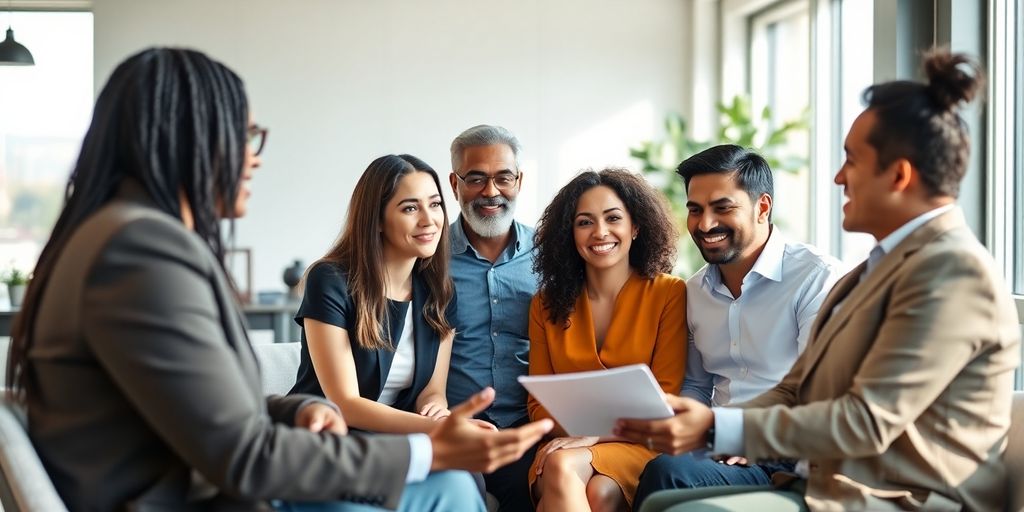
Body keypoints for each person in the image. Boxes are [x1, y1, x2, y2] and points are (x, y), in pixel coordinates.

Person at [4, 47, 551, 512]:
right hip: (195, 495)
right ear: (187, 138)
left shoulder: (121, 236)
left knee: (451, 487)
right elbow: (243, 456)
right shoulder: (141, 251)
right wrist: (432, 449)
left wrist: (294, 408)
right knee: (449, 486)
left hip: (217, 477)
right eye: (246, 135)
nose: (254, 158)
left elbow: (197, 404)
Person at [616, 50, 1019, 512]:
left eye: (852, 161)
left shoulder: (952, 274)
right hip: (830, 483)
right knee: (660, 501)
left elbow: (866, 421)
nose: (838, 177)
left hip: (909, 498)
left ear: (899, 175)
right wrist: (707, 419)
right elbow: (796, 388)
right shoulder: (874, 271)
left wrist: (717, 429)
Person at [633, 145, 841, 507]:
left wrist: (747, 435)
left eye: (723, 208)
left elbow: (820, 389)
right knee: (657, 466)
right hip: (720, 443)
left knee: (666, 474)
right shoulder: (695, 290)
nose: (705, 224)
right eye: (695, 210)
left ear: (762, 207)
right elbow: (697, 386)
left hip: (788, 447)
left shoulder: (815, 278)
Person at [289, 154, 494, 436]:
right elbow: (345, 404)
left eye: (435, 205)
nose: (429, 220)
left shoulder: (440, 291)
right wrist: (441, 429)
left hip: (397, 436)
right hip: (328, 434)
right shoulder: (329, 280)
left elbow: (432, 391)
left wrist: (435, 409)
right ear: (377, 220)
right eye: (410, 208)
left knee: (472, 474)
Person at [528, 168, 687, 511]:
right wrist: (576, 437)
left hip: (639, 443)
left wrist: (595, 435)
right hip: (564, 443)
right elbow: (537, 403)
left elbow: (666, 398)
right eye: (584, 222)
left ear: (636, 226)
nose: (599, 232)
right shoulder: (544, 304)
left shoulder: (669, 293)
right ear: (569, 234)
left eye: (613, 218)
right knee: (566, 467)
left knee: (587, 484)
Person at [445, 125, 540, 511]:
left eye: (503, 177)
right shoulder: (426, 259)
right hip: (455, 429)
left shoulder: (550, 255)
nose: (490, 191)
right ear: (455, 184)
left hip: (527, 430)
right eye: (476, 179)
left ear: (519, 180)